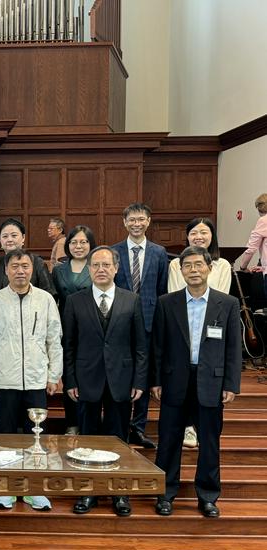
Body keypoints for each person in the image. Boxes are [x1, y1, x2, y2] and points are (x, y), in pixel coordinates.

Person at [151, 246, 241, 518]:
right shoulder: (167, 302)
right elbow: (158, 346)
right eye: (187, 265)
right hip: (174, 380)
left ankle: (208, 496)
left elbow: (233, 348)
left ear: (209, 268)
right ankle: (165, 493)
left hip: (211, 383)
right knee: (168, 440)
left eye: (198, 265)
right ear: (180, 270)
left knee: (210, 442)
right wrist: (156, 380)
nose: (193, 270)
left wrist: (231, 383)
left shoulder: (227, 304)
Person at [63, 246, 147, 517]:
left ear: (116, 269)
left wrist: (139, 380)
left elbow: (140, 347)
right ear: (88, 270)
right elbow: (69, 346)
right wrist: (71, 379)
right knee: (87, 438)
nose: (101, 269)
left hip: (121, 379)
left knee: (118, 439)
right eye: (95, 265)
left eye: (106, 265)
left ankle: (119, 492)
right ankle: (88, 491)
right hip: (86, 379)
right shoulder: (75, 301)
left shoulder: (131, 300)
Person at [0, 248, 62, 512]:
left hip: (37, 379)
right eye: (14, 266)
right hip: (5, 379)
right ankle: (6, 488)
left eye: (25, 266)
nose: (20, 271)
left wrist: (53, 374)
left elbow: (54, 340)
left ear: (33, 269)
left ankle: (34, 489)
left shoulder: (46, 299)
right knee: (5, 437)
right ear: (6, 270)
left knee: (36, 437)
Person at [167, 217, 232, 449]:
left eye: (204, 232)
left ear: (212, 236)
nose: (199, 236)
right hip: (183, 327)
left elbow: (221, 298)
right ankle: (188, 429)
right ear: (187, 236)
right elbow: (175, 293)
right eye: (194, 232)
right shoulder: (176, 264)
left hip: (213, 323)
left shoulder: (222, 265)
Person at [111, 202, 168, 449]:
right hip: (120, 321)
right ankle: (120, 426)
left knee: (143, 375)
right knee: (123, 373)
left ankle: (138, 427)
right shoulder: (113, 252)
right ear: (124, 222)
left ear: (148, 221)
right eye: (131, 219)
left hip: (149, 321)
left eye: (141, 219)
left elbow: (162, 290)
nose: (136, 223)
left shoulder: (159, 252)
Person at [52, 225, 95, 435]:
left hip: (90, 327)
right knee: (70, 373)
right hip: (64, 326)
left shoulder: (96, 266)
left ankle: (89, 421)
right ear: (68, 245)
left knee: (88, 373)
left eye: (83, 242)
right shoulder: (59, 269)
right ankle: (72, 423)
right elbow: (53, 298)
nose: (79, 246)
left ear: (91, 244)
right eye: (74, 242)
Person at [0, 218, 56, 299]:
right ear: (0, 240)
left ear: (23, 238)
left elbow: (48, 294)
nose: (9, 239)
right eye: (5, 236)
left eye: (14, 235)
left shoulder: (37, 262)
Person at [237, 194, 267, 289]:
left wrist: (243, 268)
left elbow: (251, 249)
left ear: (259, 208)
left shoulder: (263, 220)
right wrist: (264, 267)